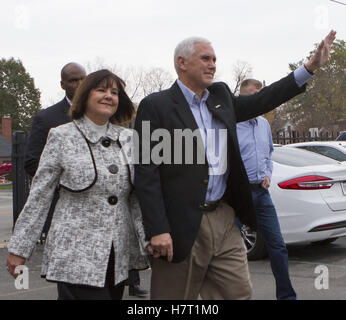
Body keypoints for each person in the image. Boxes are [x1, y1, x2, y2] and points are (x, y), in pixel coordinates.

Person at [134, 31, 336, 300]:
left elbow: (265, 99)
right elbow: (146, 172)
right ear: (182, 62)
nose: (212, 64)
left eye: (215, 59)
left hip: (224, 217)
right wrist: (157, 229)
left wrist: (309, 68)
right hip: (180, 222)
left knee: (238, 293)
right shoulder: (156, 105)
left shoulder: (222, 98)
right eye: (205, 58)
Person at [6, 69, 148, 300]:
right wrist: (19, 248)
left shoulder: (129, 139)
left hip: (118, 254)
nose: (109, 96)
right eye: (101, 90)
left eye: (114, 92)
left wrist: (149, 239)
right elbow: (40, 196)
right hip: (74, 254)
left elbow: (136, 198)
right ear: (84, 96)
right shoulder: (61, 136)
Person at [236, 79, 296, 300]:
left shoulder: (264, 125)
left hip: (261, 194)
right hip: (236, 197)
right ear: (243, 98)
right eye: (255, 96)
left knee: (278, 246)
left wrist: (268, 174)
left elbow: (269, 154)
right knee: (232, 252)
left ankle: (287, 296)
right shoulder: (229, 124)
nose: (260, 101)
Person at [24, 63, 87, 240]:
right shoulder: (46, 119)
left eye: (83, 79)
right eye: (73, 80)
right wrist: (69, 180)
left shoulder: (104, 115)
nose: (79, 84)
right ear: (62, 85)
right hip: (63, 208)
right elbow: (31, 162)